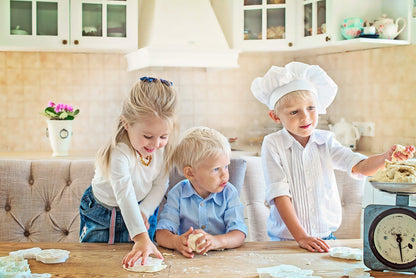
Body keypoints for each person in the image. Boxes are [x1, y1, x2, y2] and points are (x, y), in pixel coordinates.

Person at [251, 62, 414, 253]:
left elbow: (359, 166)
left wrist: (387, 157)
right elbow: (279, 195)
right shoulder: (273, 144)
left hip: (326, 238)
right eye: (294, 112)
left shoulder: (326, 141)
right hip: (285, 240)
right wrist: (301, 237)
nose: (305, 117)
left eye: (311, 108)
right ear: (275, 116)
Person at [79, 76, 178, 267]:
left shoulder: (162, 150)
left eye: (163, 136)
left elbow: (160, 184)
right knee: (96, 262)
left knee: (139, 262)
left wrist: (145, 210)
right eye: (148, 136)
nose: (156, 144)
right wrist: (141, 237)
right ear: (126, 124)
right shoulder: (119, 152)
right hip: (102, 211)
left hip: (141, 208)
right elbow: (124, 193)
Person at [155, 127, 247, 258]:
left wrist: (216, 242)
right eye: (216, 169)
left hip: (223, 259)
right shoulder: (177, 194)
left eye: (226, 166)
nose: (225, 175)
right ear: (190, 173)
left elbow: (239, 234)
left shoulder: (229, 192)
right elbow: (161, 234)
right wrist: (176, 242)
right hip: (188, 261)